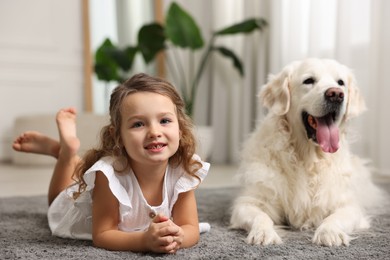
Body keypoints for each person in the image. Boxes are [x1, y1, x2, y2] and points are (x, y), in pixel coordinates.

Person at [12, 73, 210, 254]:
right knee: (58, 202)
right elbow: (104, 234)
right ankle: (65, 154)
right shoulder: (109, 174)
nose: (154, 132)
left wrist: (179, 237)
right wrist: (143, 241)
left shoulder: (182, 169)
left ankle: (69, 156)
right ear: (118, 136)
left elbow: (190, 227)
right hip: (78, 209)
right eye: (138, 124)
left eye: (164, 121)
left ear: (181, 129)